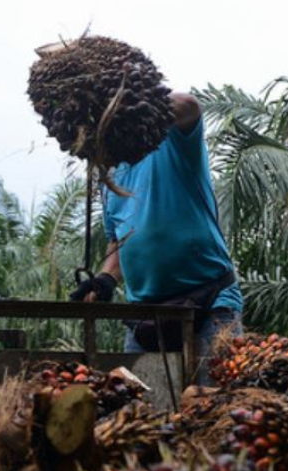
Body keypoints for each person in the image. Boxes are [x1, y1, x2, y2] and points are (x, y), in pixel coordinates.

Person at [70, 91, 243, 385]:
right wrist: (105, 278)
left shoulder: (170, 142)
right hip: (145, 317)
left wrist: (125, 100)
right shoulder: (110, 177)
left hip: (210, 304)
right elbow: (119, 240)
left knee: (216, 412)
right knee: (142, 419)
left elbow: (189, 106)